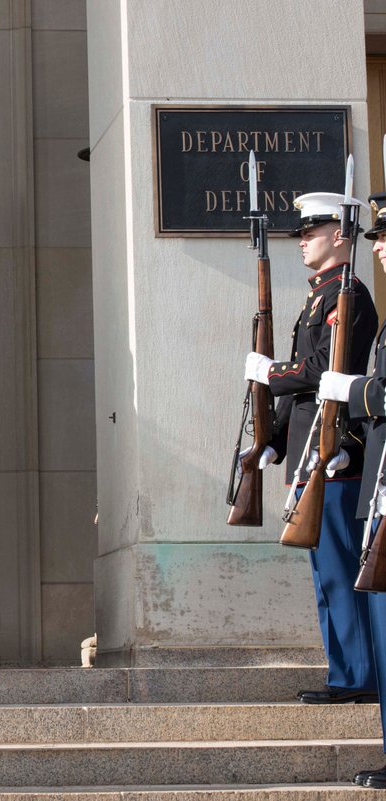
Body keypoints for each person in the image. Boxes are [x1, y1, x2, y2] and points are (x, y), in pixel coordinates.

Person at [244, 192, 379, 704]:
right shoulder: (317, 297)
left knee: (342, 569)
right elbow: (305, 385)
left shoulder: (350, 296)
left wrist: (270, 373)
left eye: (312, 232)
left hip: (335, 452)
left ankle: (359, 676)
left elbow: (321, 370)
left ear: (340, 236)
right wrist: (274, 441)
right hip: (309, 451)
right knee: (326, 573)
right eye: (302, 233)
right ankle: (344, 671)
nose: (303, 241)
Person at [316, 192, 386, 787]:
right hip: (374, 490)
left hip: (367, 476)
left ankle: (355, 673)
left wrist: (352, 392)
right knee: (342, 584)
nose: (381, 247)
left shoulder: (354, 297)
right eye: (378, 239)